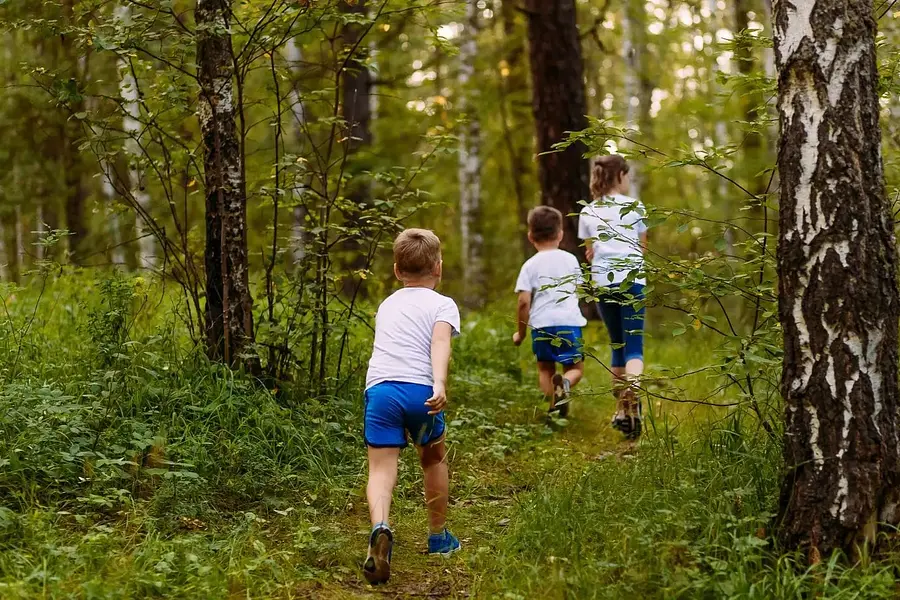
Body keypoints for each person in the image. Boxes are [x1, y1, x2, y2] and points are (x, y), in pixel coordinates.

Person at [362, 229, 462, 585]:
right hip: (421, 392)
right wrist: (439, 382)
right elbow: (439, 342)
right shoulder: (442, 304)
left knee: (380, 469)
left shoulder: (387, 304)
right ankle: (438, 537)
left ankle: (380, 526)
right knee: (433, 458)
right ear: (438, 267)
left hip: (382, 391)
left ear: (396, 270)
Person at [578, 155, 648, 439]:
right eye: (627, 175)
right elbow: (643, 249)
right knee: (634, 347)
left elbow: (590, 251)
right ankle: (633, 407)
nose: (628, 180)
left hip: (604, 284)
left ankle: (622, 410)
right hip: (632, 282)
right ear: (619, 175)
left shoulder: (588, 212)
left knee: (617, 345)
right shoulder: (635, 206)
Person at [512, 206, 587, 418]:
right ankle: (566, 383)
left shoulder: (529, 265)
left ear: (530, 236)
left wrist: (521, 333)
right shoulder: (570, 260)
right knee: (576, 368)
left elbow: (523, 302)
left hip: (541, 324)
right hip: (569, 323)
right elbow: (579, 289)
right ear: (560, 234)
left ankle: (554, 410)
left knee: (545, 370)